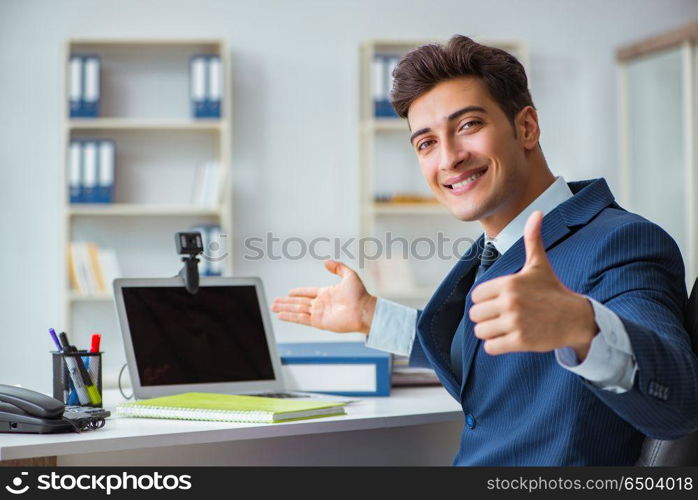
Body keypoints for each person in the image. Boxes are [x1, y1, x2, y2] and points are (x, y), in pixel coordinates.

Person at [271, 35, 698, 465]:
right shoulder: (500, 247)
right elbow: (487, 358)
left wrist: (582, 327)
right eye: (426, 143)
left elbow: (679, 397)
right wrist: (371, 315)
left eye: (468, 125)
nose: (449, 158)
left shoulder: (619, 242)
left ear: (526, 127)